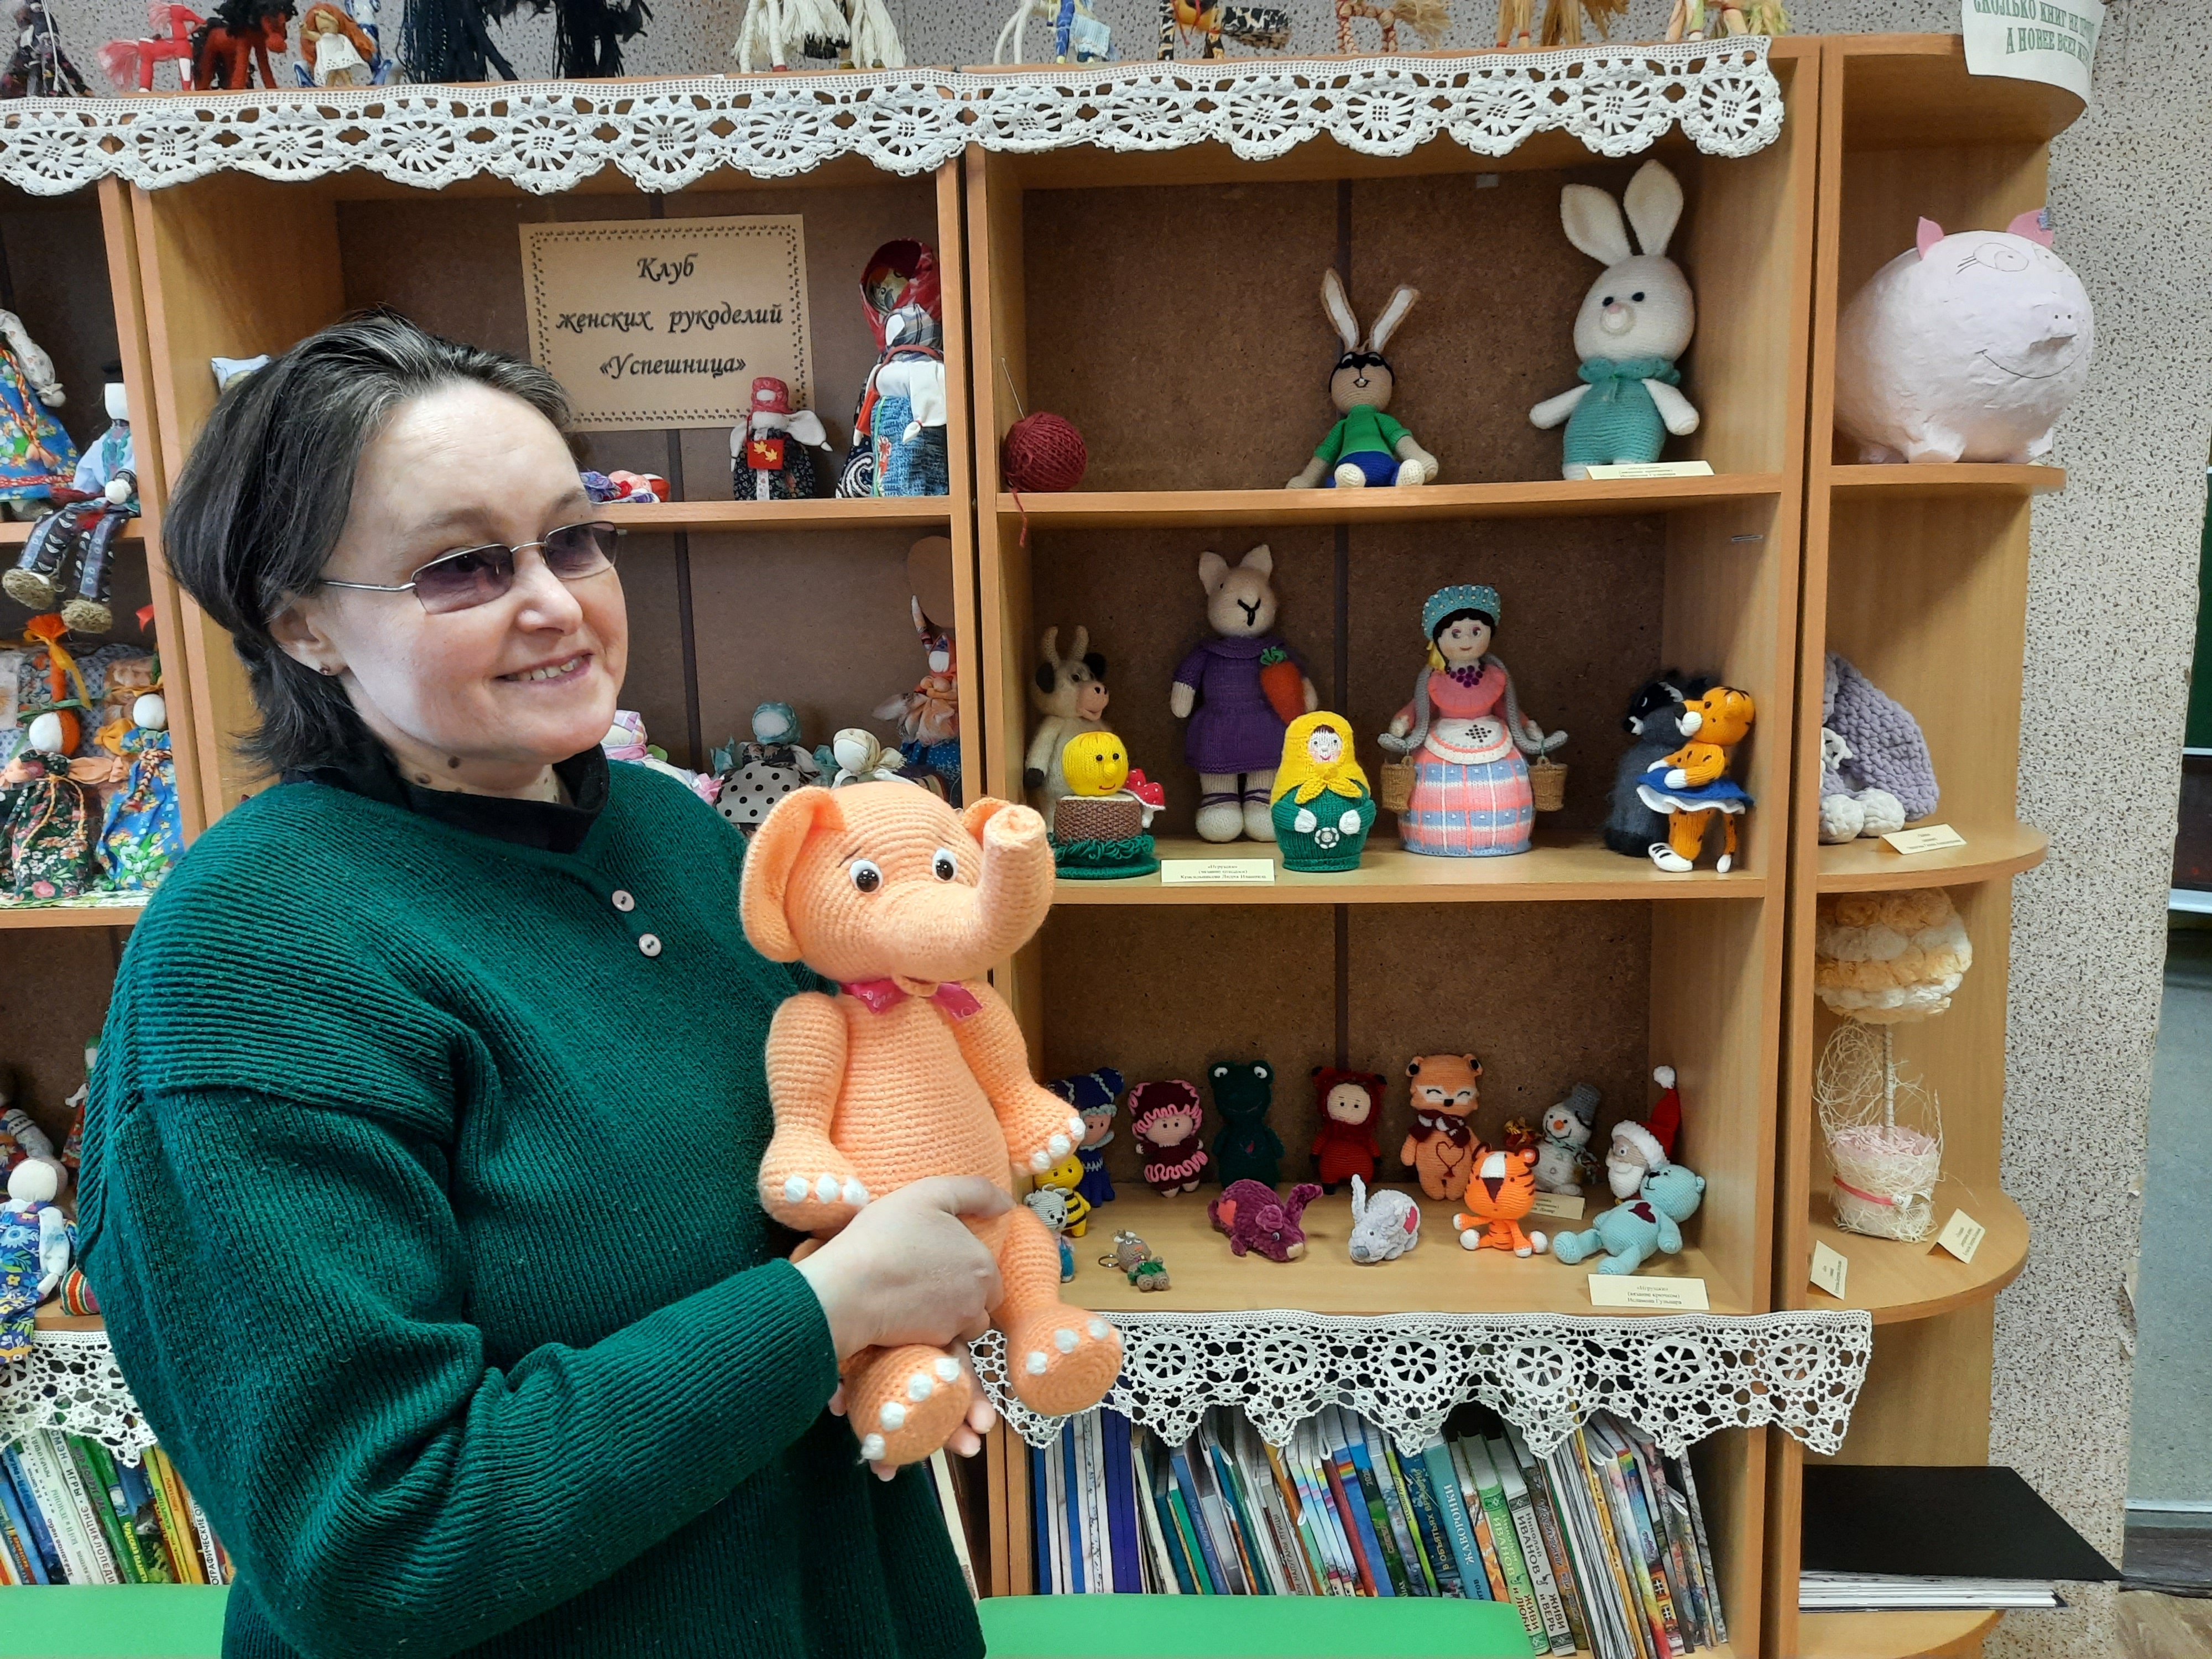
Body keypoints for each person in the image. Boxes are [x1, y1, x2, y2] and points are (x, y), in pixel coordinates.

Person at [77, 312, 997, 1659]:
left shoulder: (676, 834)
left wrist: (904, 1309)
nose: (557, 602)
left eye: (572, 539)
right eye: (461, 566)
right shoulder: (251, 962)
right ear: (302, 622)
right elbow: (372, 1545)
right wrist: (828, 1311)